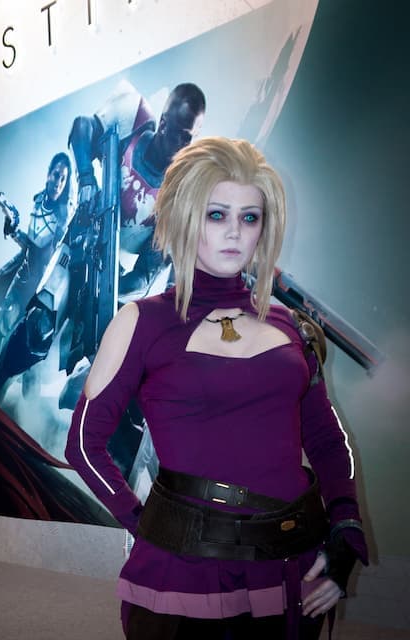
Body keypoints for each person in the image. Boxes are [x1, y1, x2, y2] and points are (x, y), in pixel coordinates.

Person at [65, 137, 368, 639]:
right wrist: (144, 522)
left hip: (293, 564)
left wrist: (346, 529)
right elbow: (82, 443)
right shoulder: (142, 321)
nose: (234, 232)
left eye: (250, 218)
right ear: (185, 217)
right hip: (187, 572)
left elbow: (327, 441)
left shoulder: (290, 325)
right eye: (216, 215)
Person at [69, 79, 206, 300]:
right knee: (46, 304)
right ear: (163, 124)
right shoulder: (134, 116)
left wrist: (109, 290)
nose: (185, 145)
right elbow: (83, 127)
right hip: (82, 231)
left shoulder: (178, 197)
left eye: (190, 138)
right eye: (182, 135)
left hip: (114, 270)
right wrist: (86, 178)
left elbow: (145, 274)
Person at [0, 152, 73, 400]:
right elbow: (31, 246)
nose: (58, 182)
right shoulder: (38, 201)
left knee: (28, 355)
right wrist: (14, 230)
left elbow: (51, 255)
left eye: (63, 179)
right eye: (56, 175)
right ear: (48, 174)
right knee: (0, 328)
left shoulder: (64, 215)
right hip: (22, 278)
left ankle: (15, 407)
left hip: (41, 291)